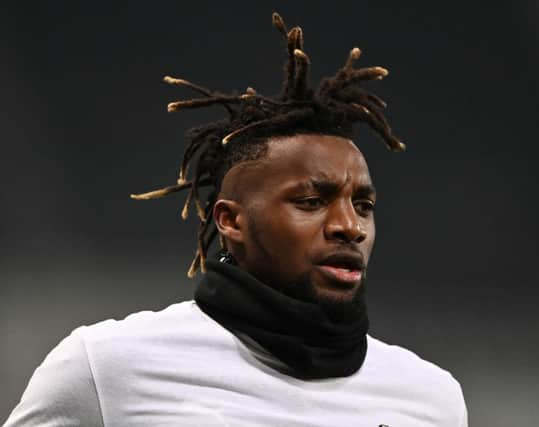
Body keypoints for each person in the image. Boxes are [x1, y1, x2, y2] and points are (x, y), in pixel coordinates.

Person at [3, 12, 467, 427]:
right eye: (310, 201)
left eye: (363, 204)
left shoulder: (430, 398)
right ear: (231, 221)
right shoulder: (106, 369)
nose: (350, 225)